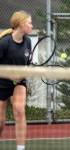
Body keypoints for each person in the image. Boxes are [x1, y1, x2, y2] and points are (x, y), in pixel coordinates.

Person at [0, 10, 33, 150]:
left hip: (19, 82)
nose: (32, 25)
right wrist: (10, 75)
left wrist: (23, 73)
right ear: (20, 24)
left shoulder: (28, 42)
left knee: (19, 111)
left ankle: (21, 148)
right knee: (0, 122)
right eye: (29, 23)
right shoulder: (4, 43)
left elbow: (27, 63)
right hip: (1, 82)